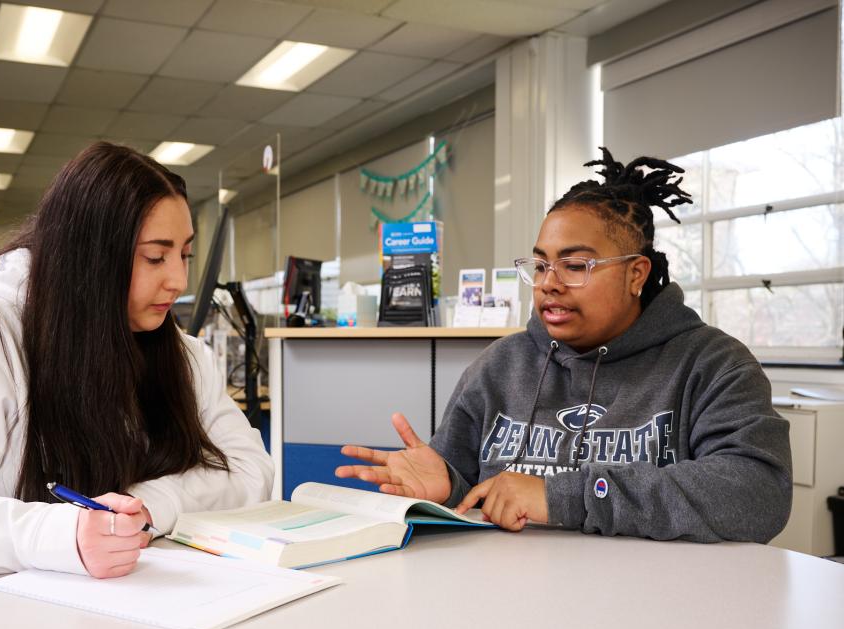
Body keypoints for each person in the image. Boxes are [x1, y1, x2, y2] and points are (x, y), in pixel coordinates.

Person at [0, 142, 274, 600]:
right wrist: (60, 534)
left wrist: (150, 504)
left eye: (184, 255)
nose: (178, 280)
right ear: (92, 257)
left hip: (96, 607)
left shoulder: (181, 354)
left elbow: (251, 470)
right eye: (155, 257)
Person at [337, 148, 791, 543]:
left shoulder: (711, 365)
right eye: (539, 265)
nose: (549, 284)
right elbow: (469, 494)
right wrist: (448, 488)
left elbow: (756, 492)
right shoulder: (499, 367)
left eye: (575, 265)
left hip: (655, 611)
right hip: (510, 605)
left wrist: (564, 497)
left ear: (637, 273)